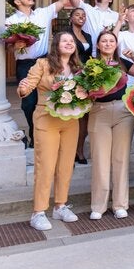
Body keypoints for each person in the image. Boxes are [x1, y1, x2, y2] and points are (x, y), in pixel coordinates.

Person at [17, 30, 83, 231]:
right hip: (46, 118)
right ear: (56, 45)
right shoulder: (42, 64)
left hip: (71, 120)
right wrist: (23, 88)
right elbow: (28, 85)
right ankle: (38, 212)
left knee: (66, 166)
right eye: (65, 41)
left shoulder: (79, 68)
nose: (69, 43)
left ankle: (60, 206)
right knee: (45, 166)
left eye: (71, 41)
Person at [5, 0, 68, 147]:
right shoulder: (10, 21)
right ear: (17, 1)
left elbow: (62, 1)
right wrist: (16, 45)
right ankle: (35, 133)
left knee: (50, 97)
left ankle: (47, 134)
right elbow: (8, 48)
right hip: (25, 65)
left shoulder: (42, 13)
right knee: (28, 102)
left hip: (45, 62)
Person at [87, 28, 134, 220]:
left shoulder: (123, 63)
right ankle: (98, 206)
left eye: (111, 41)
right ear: (98, 45)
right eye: (104, 41)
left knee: (121, 159)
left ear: (116, 45)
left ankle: (120, 204)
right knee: (100, 159)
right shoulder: (90, 65)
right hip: (99, 111)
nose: (108, 44)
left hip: (123, 112)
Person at [68, 7, 92, 165]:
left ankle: (79, 150)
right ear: (71, 18)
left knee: (85, 116)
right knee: (72, 115)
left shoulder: (87, 35)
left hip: (85, 77)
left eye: (83, 15)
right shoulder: (66, 34)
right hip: (71, 75)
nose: (81, 17)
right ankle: (70, 152)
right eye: (77, 15)